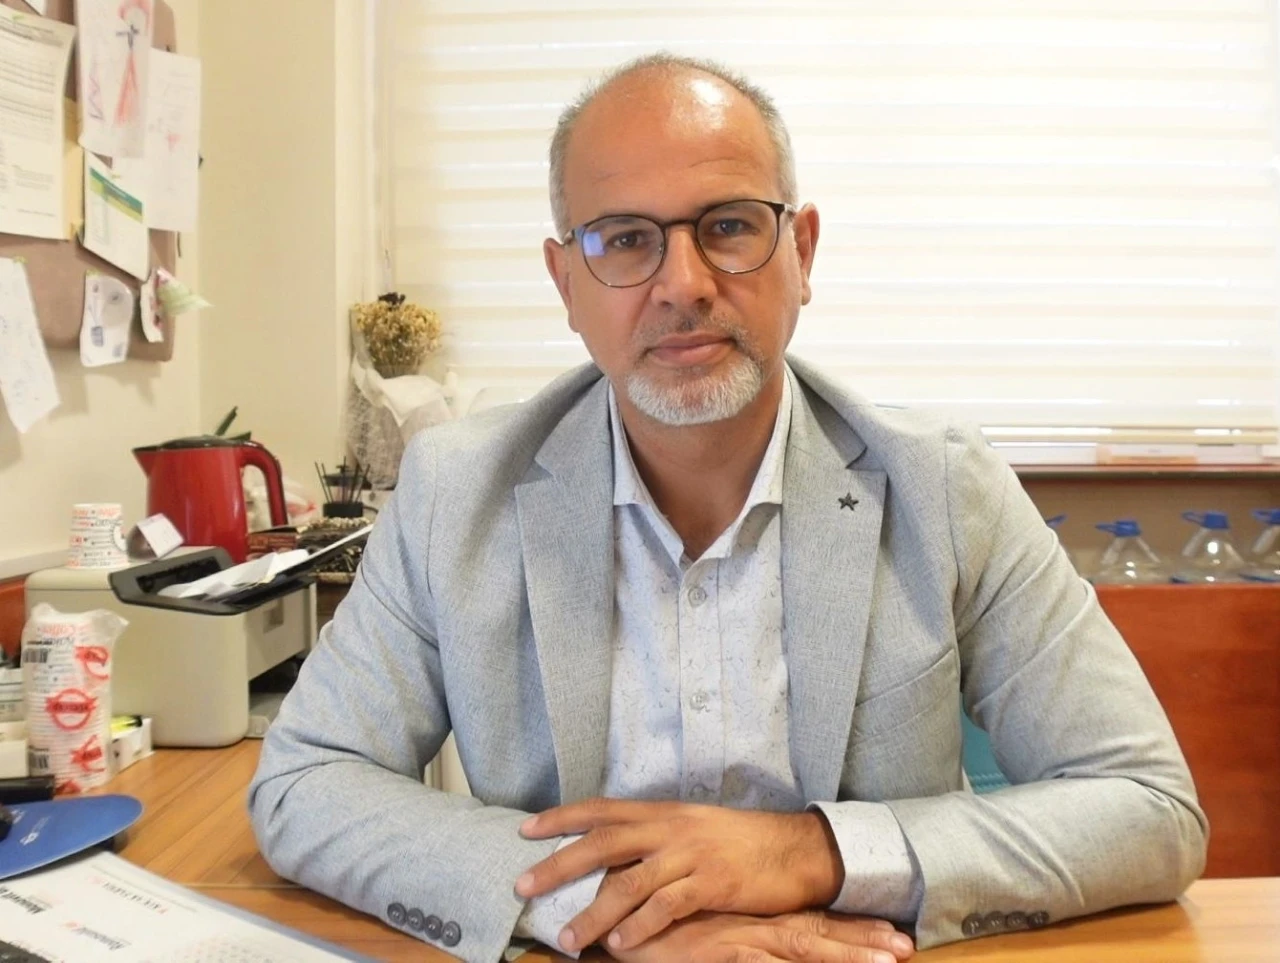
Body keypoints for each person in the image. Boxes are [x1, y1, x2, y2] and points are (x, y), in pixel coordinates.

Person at [249, 53, 1207, 963]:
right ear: (566, 283)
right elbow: (305, 780)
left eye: (730, 226)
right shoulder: (458, 492)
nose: (683, 284)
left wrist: (810, 851)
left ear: (802, 252)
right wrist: (602, 907)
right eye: (625, 239)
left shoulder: (945, 487)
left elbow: (1148, 806)